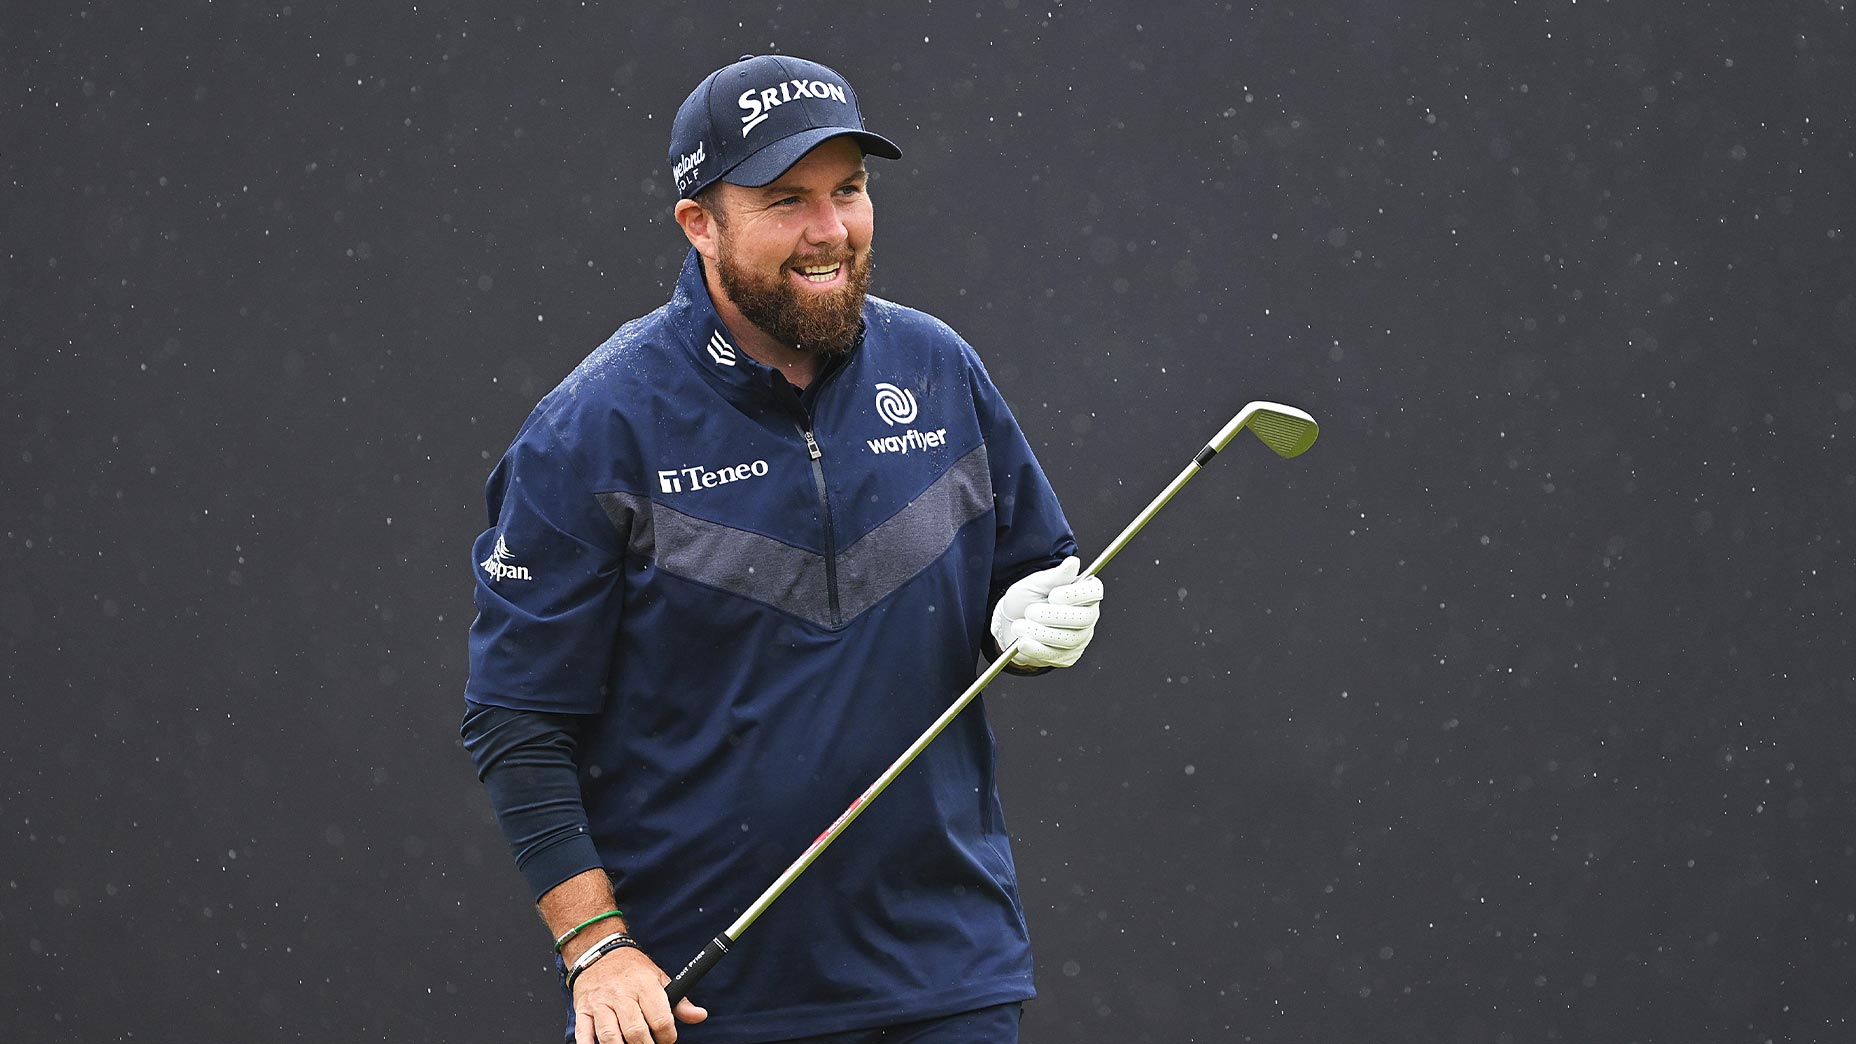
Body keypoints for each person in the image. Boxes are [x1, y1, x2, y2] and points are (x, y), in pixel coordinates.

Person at [461, 54, 1105, 1044]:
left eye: (848, 189)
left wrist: (1032, 612)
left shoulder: (937, 369)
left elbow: (1031, 563)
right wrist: (596, 946)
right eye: (783, 200)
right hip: (700, 998)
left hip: (944, 980)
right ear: (697, 224)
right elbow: (516, 721)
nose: (829, 229)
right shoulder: (593, 427)